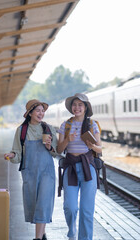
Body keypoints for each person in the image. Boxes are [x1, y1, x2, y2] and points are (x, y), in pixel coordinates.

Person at [4, 99, 57, 240]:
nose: (41, 113)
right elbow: (17, 152)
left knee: (43, 203)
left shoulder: (49, 129)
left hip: (47, 172)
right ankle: (43, 234)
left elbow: (56, 152)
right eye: (38, 110)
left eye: (43, 111)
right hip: (30, 173)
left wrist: (49, 147)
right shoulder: (21, 131)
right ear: (30, 113)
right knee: (34, 204)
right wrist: (12, 155)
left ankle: (37, 238)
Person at [57, 93, 102, 240]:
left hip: (88, 168)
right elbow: (59, 150)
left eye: (80, 105)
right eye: (74, 105)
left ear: (85, 107)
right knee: (70, 207)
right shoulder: (66, 125)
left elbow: (100, 149)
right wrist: (67, 140)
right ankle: (72, 230)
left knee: (86, 210)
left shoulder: (92, 124)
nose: (77, 108)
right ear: (71, 107)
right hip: (70, 169)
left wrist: (92, 146)